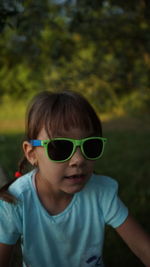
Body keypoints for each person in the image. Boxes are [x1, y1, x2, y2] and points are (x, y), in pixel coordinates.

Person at [0, 90, 150, 267]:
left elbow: (143, 249)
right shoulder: (16, 201)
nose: (78, 159)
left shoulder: (101, 192)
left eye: (90, 145)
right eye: (60, 148)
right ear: (31, 154)